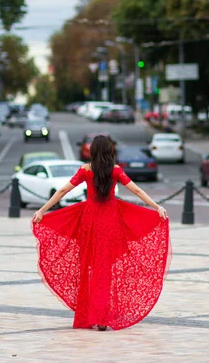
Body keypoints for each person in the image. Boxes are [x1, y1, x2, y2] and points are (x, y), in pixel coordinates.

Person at [31, 135, 171, 332]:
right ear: (109, 151)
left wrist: (43, 210)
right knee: (105, 268)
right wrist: (156, 207)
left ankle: (90, 315)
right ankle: (103, 317)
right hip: (110, 220)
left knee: (88, 266)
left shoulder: (86, 170)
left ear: (93, 151)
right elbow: (136, 191)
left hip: (89, 220)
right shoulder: (115, 171)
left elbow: (63, 190)